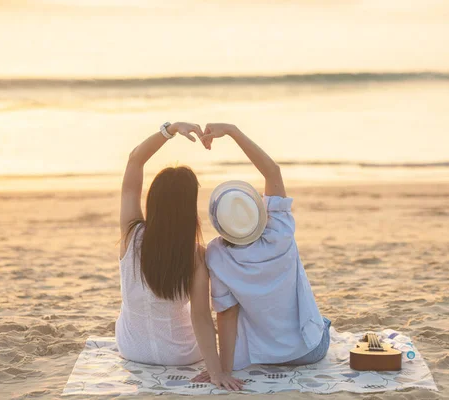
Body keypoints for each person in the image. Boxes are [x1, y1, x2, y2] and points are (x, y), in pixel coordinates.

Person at [192, 123, 331, 382]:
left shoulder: (216, 255)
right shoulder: (280, 229)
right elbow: (272, 171)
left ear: (219, 222)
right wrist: (233, 131)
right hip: (310, 350)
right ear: (258, 211)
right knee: (321, 321)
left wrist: (224, 370)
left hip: (261, 355)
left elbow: (227, 315)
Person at [116, 121, 243, 391]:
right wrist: (215, 370)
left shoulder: (130, 235)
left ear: (153, 201)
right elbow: (200, 316)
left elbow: (135, 161)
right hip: (181, 355)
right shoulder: (195, 255)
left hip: (132, 349)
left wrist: (170, 130)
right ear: (188, 210)